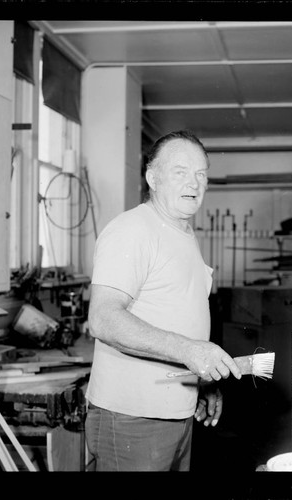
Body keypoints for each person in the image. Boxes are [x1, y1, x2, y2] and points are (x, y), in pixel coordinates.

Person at [84, 130, 242, 471]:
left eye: (202, 174)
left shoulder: (182, 233)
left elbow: (174, 317)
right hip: (132, 418)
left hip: (176, 414)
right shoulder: (134, 229)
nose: (194, 183)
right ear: (152, 177)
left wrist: (201, 381)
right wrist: (188, 351)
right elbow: (103, 318)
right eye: (181, 172)